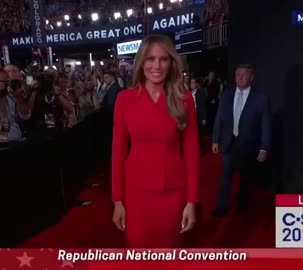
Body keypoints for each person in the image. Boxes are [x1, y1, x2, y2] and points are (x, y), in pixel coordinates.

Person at [111, 34, 200, 248]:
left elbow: (192, 152)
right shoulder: (124, 99)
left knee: (170, 252)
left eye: (163, 59)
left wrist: (191, 202)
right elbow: (117, 152)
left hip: (173, 190)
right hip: (137, 193)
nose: (156, 66)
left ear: (171, 63)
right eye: (150, 59)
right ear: (141, 62)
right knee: (139, 250)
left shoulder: (184, 98)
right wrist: (117, 201)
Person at [212, 64, 272, 215]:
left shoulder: (261, 99)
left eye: (243, 75)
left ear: (251, 77)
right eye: (237, 74)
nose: (239, 77)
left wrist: (264, 147)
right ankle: (221, 207)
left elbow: (266, 124)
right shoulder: (226, 95)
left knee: (246, 179)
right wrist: (215, 139)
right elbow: (219, 118)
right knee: (225, 177)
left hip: (248, 145)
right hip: (228, 142)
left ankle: (243, 207)